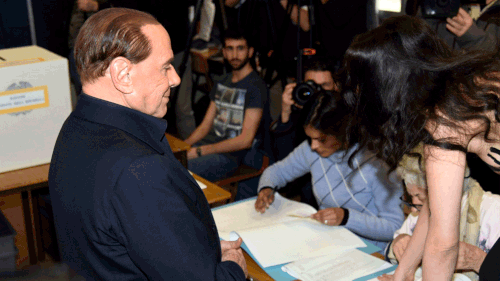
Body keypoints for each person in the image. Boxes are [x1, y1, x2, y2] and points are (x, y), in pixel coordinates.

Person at [48, 8, 247, 280]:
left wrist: (202, 253)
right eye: (165, 67)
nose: (175, 79)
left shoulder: (74, 128)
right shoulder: (140, 171)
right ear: (122, 74)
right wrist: (233, 265)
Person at [337, 15, 500, 281]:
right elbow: (436, 207)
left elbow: (443, 245)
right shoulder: (461, 90)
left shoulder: (446, 118)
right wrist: (404, 272)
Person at [255, 91, 404, 251]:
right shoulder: (311, 151)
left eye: (321, 139)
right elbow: (277, 171)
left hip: (370, 252)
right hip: (328, 243)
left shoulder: (376, 163)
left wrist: (346, 217)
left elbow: (395, 227)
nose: (313, 146)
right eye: (309, 138)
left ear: (342, 132)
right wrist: (266, 187)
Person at [383, 144, 500, 281]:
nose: (414, 209)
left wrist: (479, 261)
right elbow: (391, 251)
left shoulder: (493, 210)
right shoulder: (420, 212)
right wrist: (398, 242)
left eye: (422, 198)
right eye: (410, 197)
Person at [184, 29, 270, 183]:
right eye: (230, 49)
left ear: (250, 52)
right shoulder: (222, 81)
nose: (234, 55)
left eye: (240, 48)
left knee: (177, 173)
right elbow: (204, 126)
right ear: (223, 52)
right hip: (206, 148)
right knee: (166, 163)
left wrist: (200, 151)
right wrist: (182, 148)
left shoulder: (256, 87)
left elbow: (245, 140)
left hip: (229, 156)